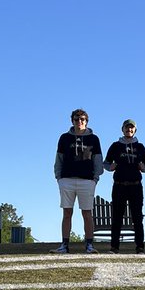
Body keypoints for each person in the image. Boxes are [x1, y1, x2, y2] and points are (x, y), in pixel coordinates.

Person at [53, 109, 103, 254]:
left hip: (87, 181)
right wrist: (59, 178)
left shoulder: (94, 139)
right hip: (67, 179)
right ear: (72, 121)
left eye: (82, 119)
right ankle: (64, 245)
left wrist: (95, 178)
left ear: (87, 121)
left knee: (87, 213)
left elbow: (97, 160)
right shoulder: (64, 138)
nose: (79, 122)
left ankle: (89, 245)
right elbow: (59, 159)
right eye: (76, 119)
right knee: (67, 212)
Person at [104, 119, 145, 253]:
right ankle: (114, 247)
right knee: (117, 217)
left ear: (135, 130)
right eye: (126, 128)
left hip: (135, 185)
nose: (129, 130)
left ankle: (140, 247)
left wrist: (143, 167)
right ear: (122, 129)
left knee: (137, 217)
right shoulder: (115, 146)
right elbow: (106, 163)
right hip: (119, 185)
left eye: (131, 128)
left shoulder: (140, 147)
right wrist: (110, 167)